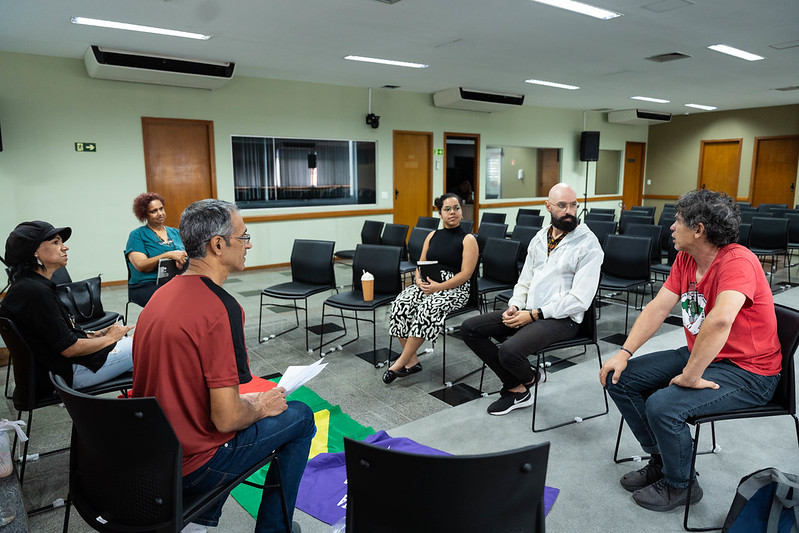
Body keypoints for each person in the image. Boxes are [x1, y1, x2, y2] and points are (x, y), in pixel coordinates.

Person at [131, 199, 314, 533]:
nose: (249, 244)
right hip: (194, 465)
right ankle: (275, 530)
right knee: (300, 416)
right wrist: (261, 406)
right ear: (218, 245)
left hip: (152, 454)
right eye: (244, 237)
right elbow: (226, 419)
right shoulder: (220, 309)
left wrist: (250, 404)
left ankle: (196, 521)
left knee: (254, 405)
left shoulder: (159, 296)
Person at [599, 189, 781, 513]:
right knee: (620, 378)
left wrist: (690, 375)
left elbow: (721, 320)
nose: (671, 226)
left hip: (749, 371)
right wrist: (624, 353)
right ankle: (663, 461)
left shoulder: (739, 262)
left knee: (662, 406)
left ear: (698, 230)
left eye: (678, 220)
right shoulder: (686, 258)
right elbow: (657, 308)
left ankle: (680, 485)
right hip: (705, 355)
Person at [460, 183, 603, 415]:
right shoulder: (540, 238)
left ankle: (520, 386)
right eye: (562, 205)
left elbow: (580, 300)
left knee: (509, 351)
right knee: (470, 328)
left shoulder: (588, 244)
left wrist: (535, 314)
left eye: (573, 205)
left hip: (563, 320)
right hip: (530, 311)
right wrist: (515, 305)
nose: (569, 211)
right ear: (548, 206)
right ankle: (521, 382)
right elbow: (525, 279)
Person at [0, 221, 134, 389]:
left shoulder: (29, 286)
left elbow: (58, 335)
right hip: (65, 374)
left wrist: (98, 334)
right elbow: (69, 348)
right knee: (150, 346)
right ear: (34, 252)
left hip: (59, 369)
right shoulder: (34, 292)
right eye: (56, 242)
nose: (65, 247)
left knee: (147, 357)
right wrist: (110, 338)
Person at [382, 193, 479, 384]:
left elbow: (466, 274)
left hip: (455, 289)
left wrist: (439, 287)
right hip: (429, 283)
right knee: (401, 303)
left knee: (428, 308)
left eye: (456, 208)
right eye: (447, 209)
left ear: (461, 211)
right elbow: (421, 263)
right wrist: (418, 280)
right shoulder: (432, 235)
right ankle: (413, 361)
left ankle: (400, 362)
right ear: (440, 213)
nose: (453, 212)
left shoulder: (468, 239)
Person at [125, 192, 188, 307]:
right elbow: (141, 265)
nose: (160, 213)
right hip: (146, 285)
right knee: (175, 301)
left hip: (174, 281)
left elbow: (187, 254)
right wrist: (169, 255)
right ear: (144, 214)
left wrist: (183, 258)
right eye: (153, 211)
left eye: (161, 209)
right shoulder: (137, 235)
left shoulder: (176, 233)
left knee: (199, 293)